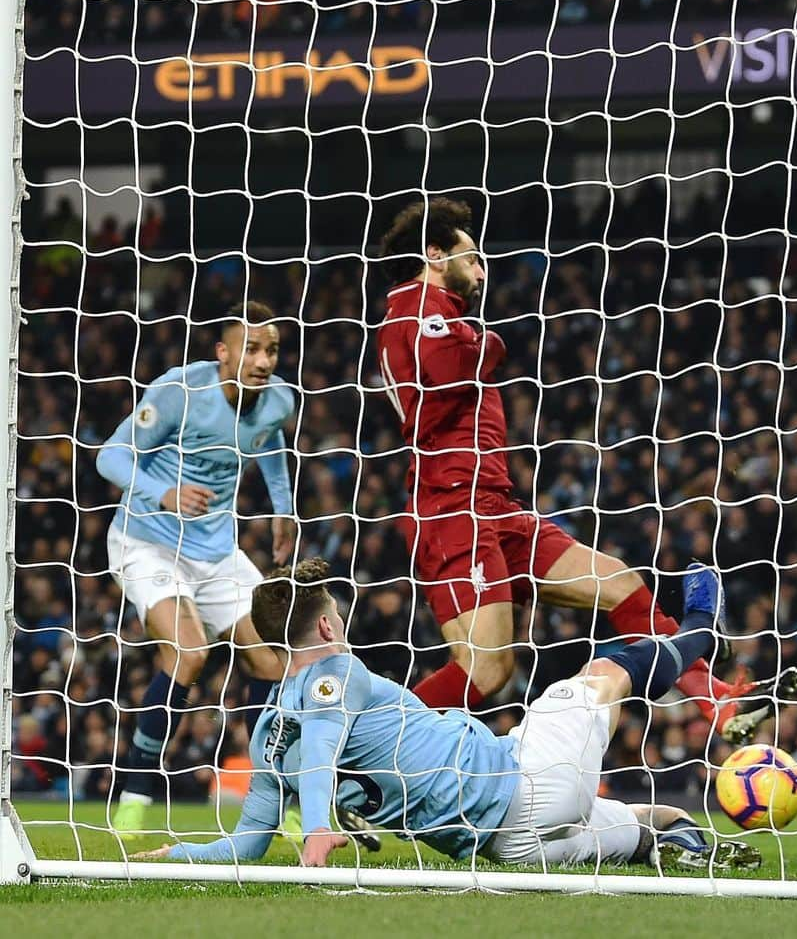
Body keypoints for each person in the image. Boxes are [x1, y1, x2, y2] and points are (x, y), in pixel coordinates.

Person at [134, 557, 761, 872]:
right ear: (326, 623)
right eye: (338, 613)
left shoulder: (267, 729)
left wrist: (179, 855)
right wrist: (322, 825)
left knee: (649, 825)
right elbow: (323, 750)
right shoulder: (337, 674)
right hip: (520, 778)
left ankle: (681, 843)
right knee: (603, 673)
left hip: (502, 845)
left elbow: (247, 845)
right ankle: (706, 629)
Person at [375, 197, 750, 724]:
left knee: (618, 583)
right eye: (472, 256)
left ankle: (711, 696)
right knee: (485, 670)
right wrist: (490, 343)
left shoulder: (444, 317)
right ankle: (370, 754)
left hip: (494, 503)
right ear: (435, 254)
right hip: (451, 508)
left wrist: (480, 339)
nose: (482, 269)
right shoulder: (412, 311)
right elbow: (450, 366)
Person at [97, 300, 297, 838]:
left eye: (272, 349)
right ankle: (136, 794)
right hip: (147, 540)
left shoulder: (279, 400)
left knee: (274, 662)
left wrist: (283, 510)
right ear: (223, 352)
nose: (262, 360)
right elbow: (110, 457)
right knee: (188, 651)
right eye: (251, 348)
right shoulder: (178, 389)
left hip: (216, 551)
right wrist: (163, 492)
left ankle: (278, 799)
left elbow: (271, 442)